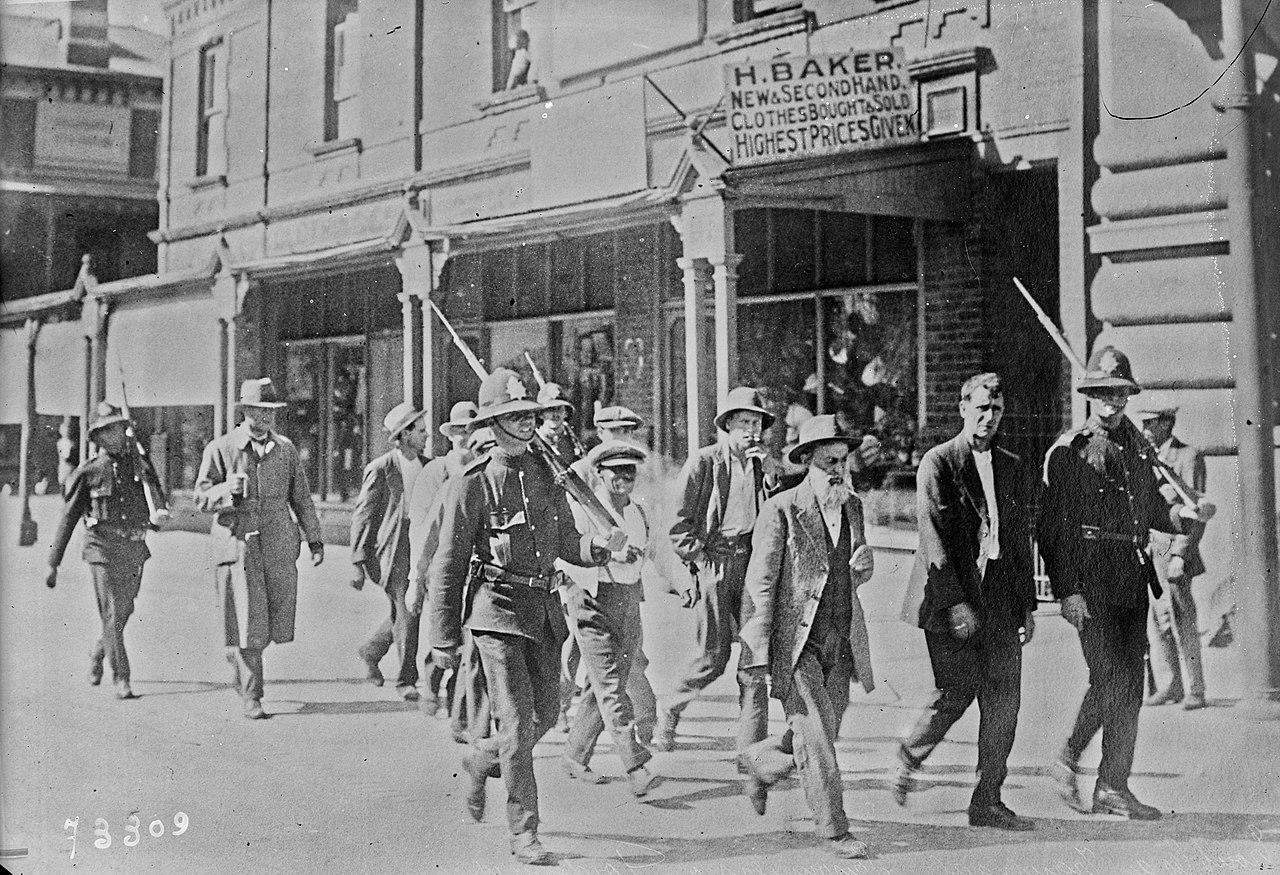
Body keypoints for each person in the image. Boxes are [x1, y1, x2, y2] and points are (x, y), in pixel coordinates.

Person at [426, 368, 627, 865]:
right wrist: (443, 638)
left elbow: (564, 544)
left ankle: (479, 758)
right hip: (496, 613)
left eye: (528, 415)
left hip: (544, 613)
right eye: (514, 416)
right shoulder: (471, 484)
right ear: (494, 424)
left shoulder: (547, 476)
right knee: (517, 723)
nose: (525, 423)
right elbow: (447, 565)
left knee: (542, 720)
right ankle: (524, 830)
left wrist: (598, 548)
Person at [1040, 347, 1212, 819]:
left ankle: (1113, 785)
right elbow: (1052, 529)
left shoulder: (1138, 449)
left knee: (1130, 683)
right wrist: (1067, 590)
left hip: (1131, 573)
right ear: (1091, 396)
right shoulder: (1071, 450)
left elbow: (1154, 510)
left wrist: (1184, 514)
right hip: (1089, 574)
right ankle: (1067, 758)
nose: (1113, 403)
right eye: (1105, 395)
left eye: (1120, 394)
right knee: (1109, 676)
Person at [894, 373, 1037, 830]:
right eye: (980, 409)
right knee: (958, 690)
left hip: (999, 594)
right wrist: (957, 603)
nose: (988, 418)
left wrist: (1026, 606)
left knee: (1004, 700)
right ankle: (911, 751)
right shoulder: (939, 463)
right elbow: (933, 538)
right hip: (949, 592)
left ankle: (987, 800)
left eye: (995, 410)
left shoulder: (1012, 465)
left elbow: (1018, 541)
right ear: (962, 409)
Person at [738, 415, 875, 860]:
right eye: (828, 462)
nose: (837, 469)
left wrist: (864, 568)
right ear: (808, 463)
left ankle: (758, 760)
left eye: (842, 460)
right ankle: (835, 831)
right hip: (796, 644)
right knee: (816, 733)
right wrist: (756, 649)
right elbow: (760, 583)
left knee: (824, 731)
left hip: (841, 637)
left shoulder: (852, 505)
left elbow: (855, 568)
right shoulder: (781, 509)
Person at [656, 386, 778, 761]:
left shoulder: (761, 465)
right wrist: (700, 564)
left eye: (756, 423)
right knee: (712, 656)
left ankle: (751, 745)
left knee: (756, 655)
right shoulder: (705, 462)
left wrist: (772, 474)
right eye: (743, 422)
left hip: (751, 563)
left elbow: (776, 515)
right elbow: (677, 526)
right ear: (726, 425)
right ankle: (670, 708)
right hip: (715, 562)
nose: (751, 431)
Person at [195, 378, 324, 720]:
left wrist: (314, 538)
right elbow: (200, 497)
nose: (265, 418)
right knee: (251, 618)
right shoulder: (221, 449)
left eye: (270, 412)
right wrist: (225, 489)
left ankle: (238, 656)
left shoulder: (286, 450)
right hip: (240, 544)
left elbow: (302, 498)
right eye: (258, 411)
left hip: (280, 544)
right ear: (245, 411)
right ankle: (253, 694)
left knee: (273, 619)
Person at [46, 402, 167, 701]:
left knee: (124, 609)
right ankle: (122, 677)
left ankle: (99, 649)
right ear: (99, 437)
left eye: (121, 427)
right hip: (101, 547)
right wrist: (53, 562)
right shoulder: (89, 472)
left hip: (133, 547)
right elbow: (68, 518)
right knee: (112, 611)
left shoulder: (138, 465)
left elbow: (157, 503)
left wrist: (155, 501)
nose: (120, 433)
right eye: (111, 429)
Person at [562, 441, 662, 796]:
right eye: (615, 470)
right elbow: (565, 555)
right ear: (599, 474)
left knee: (603, 683)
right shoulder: (582, 511)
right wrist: (605, 554)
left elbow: (655, 554)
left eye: (629, 471)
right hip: (592, 600)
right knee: (611, 687)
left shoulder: (640, 513)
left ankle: (575, 756)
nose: (623, 477)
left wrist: (680, 585)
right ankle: (635, 764)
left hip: (628, 601)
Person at [351, 402, 429, 700]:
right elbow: (363, 514)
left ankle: (371, 651)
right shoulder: (381, 468)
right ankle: (406, 679)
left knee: (406, 609)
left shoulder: (427, 465)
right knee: (408, 610)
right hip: (393, 549)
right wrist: (357, 561)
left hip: (420, 545)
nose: (426, 436)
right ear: (404, 435)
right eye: (420, 431)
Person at [1135, 400, 1209, 711]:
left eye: (1151, 422)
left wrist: (1180, 554)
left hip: (1177, 549)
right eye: (1144, 423)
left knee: (1183, 619)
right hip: (1154, 550)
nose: (1146, 429)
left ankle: (1196, 688)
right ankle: (1172, 684)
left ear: (1167, 423)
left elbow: (1196, 512)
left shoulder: (1188, 456)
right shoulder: (1147, 457)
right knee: (1160, 620)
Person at [406, 400, 477, 715]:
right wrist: (417, 576)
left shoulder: (485, 468)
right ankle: (432, 683)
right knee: (444, 634)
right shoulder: (436, 471)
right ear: (450, 435)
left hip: (477, 566)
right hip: (442, 565)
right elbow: (422, 526)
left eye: (471, 430)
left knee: (472, 638)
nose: (465, 437)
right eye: (459, 431)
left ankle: (459, 704)